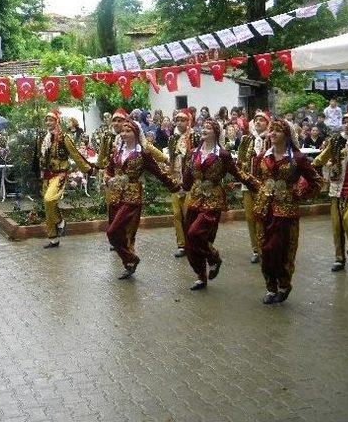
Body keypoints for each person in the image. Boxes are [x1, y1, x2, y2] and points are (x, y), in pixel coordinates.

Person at [252, 119, 323, 304]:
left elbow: (316, 182)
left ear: (287, 135)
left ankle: (284, 283)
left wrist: (298, 193)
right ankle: (270, 287)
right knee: (264, 251)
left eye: (278, 131)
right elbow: (256, 180)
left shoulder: (297, 158)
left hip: (286, 212)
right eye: (271, 130)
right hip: (264, 210)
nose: (273, 134)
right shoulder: (262, 157)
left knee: (278, 250)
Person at [183, 119, 258, 291]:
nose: (204, 129)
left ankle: (214, 258)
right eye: (203, 127)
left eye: (208, 128)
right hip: (194, 199)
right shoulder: (194, 152)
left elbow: (237, 173)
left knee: (196, 234)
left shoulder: (222, 155)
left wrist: (256, 186)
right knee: (191, 242)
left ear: (216, 133)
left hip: (213, 201)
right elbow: (187, 177)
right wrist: (180, 187)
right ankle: (201, 276)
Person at [105, 120, 180, 279]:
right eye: (123, 131)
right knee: (117, 235)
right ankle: (129, 262)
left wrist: (176, 188)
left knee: (113, 232)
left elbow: (159, 173)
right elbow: (109, 170)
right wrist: (108, 180)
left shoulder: (143, 153)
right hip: (115, 197)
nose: (124, 134)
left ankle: (132, 258)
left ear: (136, 133)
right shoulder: (117, 151)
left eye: (128, 131)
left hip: (132, 198)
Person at [313, 107, 348, 272]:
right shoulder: (337, 140)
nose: (346, 125)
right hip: (336, 188)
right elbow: (323, 156)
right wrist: (309, 167)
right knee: (337, 227)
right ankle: (339, 258)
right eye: (344, 122)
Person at [38, 108, 92, 248]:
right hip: (47, 175)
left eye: (51, 120)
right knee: (48, 206)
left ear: (57, 121)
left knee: (49, 200)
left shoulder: (64, 137)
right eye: (47, 120)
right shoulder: (45, 138)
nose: (48, 122)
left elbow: (75, 154)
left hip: (60, 174)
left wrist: (88, 168)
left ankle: (61, 222)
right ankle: (53, 238)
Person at [237, 111, 271, 264]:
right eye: (256, 120)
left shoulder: (271, 139)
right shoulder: (246, 139)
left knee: (264, 216)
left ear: (267, 123)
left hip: (265, 185)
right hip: (248, 184)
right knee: (250, 217)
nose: (257, 122)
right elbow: (239, 160)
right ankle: (255, 249)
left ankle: (266, 247)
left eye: (261, 120)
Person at [167, 109, 201, 258]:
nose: (180, 123)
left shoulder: (195, 136)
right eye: (178, 120)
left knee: (189, 213)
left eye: (183, 120)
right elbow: (171, 158)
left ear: (189, 121)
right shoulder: (172, 138)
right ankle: (181, 245)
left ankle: (193, 243)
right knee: (176, 214)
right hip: (176, 179)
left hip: (191, 181)